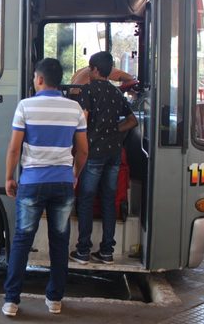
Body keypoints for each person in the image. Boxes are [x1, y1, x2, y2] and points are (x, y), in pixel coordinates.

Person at [2, 58, 88, 317]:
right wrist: (74, 174)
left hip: (31, 182)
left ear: (39, 79)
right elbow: (83, 150)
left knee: (21, 241)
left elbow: (15, 148)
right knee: (59, 241)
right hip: (62, 183)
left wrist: (9, 177)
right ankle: (55, 300)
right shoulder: (75, 108)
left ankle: (11, 301)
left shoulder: (25, 106)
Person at [69, 51, 138, 266]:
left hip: (94, 153)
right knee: (109, 201)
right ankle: (107, 251)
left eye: (90, 68)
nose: (89, 72)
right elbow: (132, 120)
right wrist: (114, 130)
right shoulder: (116, 93)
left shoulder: (88, 91)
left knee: (86, 200)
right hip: (114, 154)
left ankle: (83, 251)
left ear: (95, 70)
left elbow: (84, 121)